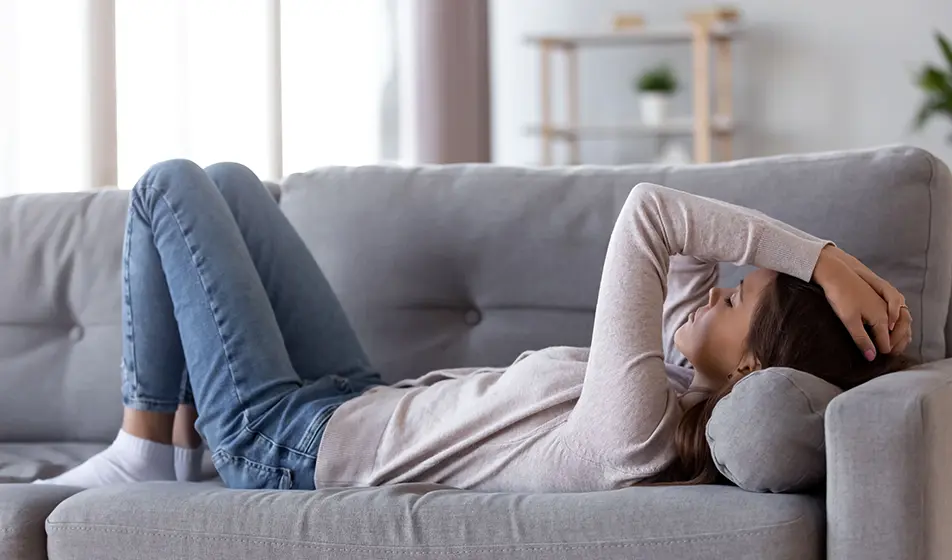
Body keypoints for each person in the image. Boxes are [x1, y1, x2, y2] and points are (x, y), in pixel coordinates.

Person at [36, 160, 913, 491]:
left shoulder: (635, 430)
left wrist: (824, 257)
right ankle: (180, 450)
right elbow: (691, 272)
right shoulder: (685, 388)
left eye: (733, 302)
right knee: (229, 181)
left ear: (753, 370)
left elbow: (651, 216)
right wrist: (807, 270)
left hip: (288, 448)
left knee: (169, 188)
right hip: (354, 399)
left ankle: (146, 452)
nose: (715, 292)